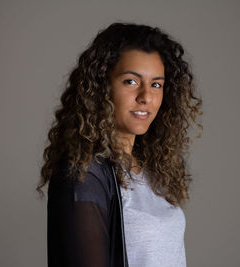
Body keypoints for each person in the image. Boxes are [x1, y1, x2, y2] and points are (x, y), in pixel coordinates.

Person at [37, 22, 202, 267]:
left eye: (156, 84)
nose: (146, 96)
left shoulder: (151, 168)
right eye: (131, 81)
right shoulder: (85, 177)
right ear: (103, 87)